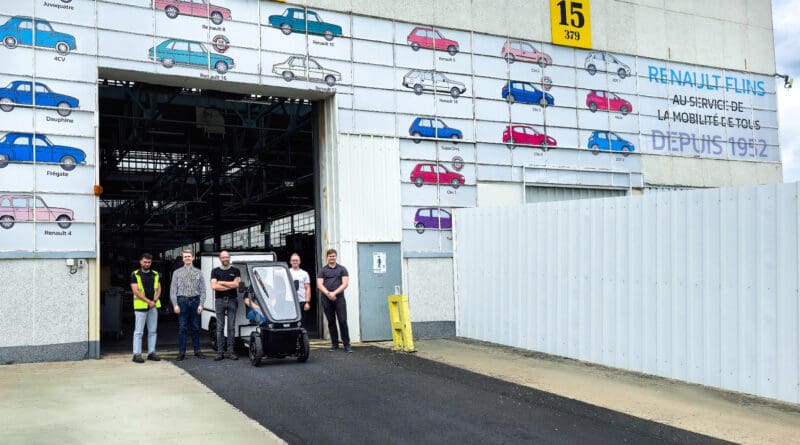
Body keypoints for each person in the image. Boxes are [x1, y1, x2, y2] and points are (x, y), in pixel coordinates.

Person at [170, 249, 206, 361]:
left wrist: (201, 304)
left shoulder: (199, 272)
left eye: (189, 256)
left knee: (195, 327)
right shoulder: (177, 273)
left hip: (195, 301)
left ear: (193, 257)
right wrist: (175, 304)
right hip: (182, 302)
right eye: (185, 256)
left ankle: (197, 351)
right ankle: (181, 352)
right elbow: (173, 290)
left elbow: (203, 290)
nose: (187, 258)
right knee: (182, 327)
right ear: (183, 258)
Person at [317, 249, 351, 352]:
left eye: (333, 256)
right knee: (331, 321)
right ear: (327, 257)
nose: (332, 258)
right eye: (330, 256)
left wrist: (334, 293)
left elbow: (345, 284)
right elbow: (319, 284)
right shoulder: (323, 270)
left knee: (342, 320)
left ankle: (347, 345)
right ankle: (335, 344)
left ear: (336, 257)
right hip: (326, 299)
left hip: (339, 298)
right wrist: (328, 293)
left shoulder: (342, 269)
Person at [129, 253, 161, 363]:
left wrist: (155, 301)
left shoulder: (155, 274)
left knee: (152, 331)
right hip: (141, 307)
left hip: (153, 307)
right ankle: (136, 354)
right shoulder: (135, 274)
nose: (147, 264)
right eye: (145, 262)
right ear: (140, 262)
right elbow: (135, 291)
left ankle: (151, 353)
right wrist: (149, 301)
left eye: (149, 262)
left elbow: (158, 289)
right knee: (139, 332)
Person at [210, 250, 241, 361]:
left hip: (232, 300)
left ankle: (231, 352)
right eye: (223, 257)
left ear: (229, 257)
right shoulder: (215, 271)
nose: (225, 259)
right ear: (220, 258)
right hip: (220, 301)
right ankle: (220, 352)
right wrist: (230, 286)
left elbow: (236, 284)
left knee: (231, 328)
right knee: (220, 328)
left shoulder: (236, 270)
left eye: (227, 257)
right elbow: (214, 286)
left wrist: (222, 283)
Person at [289, 252, 312, 317]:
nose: (295, 262)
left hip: (301, 301)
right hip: (289, 301)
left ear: (299, 261)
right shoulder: (286, 271)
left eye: (296, 260)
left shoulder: (304, 273)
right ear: (290, 262)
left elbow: (307, 288)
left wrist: (307, 302)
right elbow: (274, 271)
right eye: (293, 260)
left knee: (302, 321)